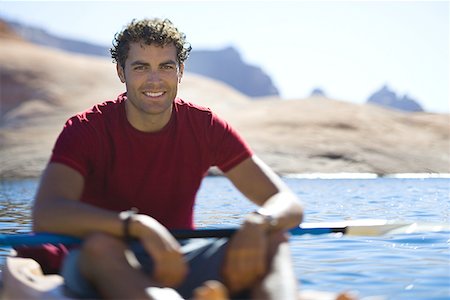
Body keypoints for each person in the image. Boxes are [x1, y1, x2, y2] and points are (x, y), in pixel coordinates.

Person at [31, 18, 304, 300]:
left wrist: (259, 222)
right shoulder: (86, 130)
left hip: (178, 258)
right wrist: (137, 225)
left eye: (166, 66)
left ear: (180, 71)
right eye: (140, 67)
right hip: (99, 262)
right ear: (121, 72)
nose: (154, 79)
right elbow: (46, 214)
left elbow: (288, 203)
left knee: (274, 240)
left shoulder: (205, 127)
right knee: (102, 246)